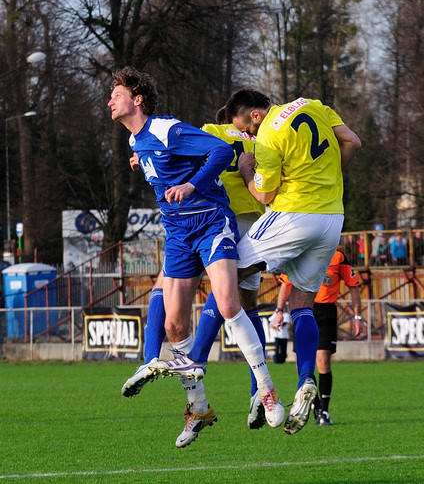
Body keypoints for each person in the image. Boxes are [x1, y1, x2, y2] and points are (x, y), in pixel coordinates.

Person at [108, 68, 284, 446]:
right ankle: (199, 406)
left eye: (116, 94)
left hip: (210, 223)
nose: (110, 100)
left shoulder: (166, 128)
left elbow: (219, 151)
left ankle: (267, 389)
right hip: (177, 236)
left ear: (137, 100)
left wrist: (192, 184)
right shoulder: (139, 142)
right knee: (174, 327)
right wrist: (143, 160)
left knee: (227, 301)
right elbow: (161, 163)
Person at [224, 89, 361, 435]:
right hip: (331, 217)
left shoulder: (269, 133)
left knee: (225, 272)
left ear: (256, 115)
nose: (250, 138)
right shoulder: (314, 105)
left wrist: (245, 170)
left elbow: (264, 195)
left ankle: (194, 362)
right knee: (302, 305)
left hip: (293, 213)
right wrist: (328, 178)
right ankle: (305, 380)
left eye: (248, 130)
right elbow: (352, 143)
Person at [275, 249, 363, 425]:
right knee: (301, 363)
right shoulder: (299, 252)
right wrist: (279, 311)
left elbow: (353, 286)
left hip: (325, 313)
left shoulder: (338, 256)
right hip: (302, 309)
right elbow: (286, 284)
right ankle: (315, 407)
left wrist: (357, 317)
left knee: (323, 361)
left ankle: (324, 410)